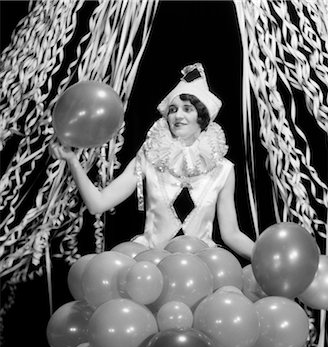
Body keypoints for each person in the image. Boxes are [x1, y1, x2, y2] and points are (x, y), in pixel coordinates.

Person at [50, 63, 254, 259]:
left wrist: (261, 255)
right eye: (173, 110)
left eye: (187, 109)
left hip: (200, 266)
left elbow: (232, 234)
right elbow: (98, 204)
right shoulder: (149, 155)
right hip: (149, 265)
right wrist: (72, 161)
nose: (177, 115)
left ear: (203, 118)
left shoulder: (223, 169)